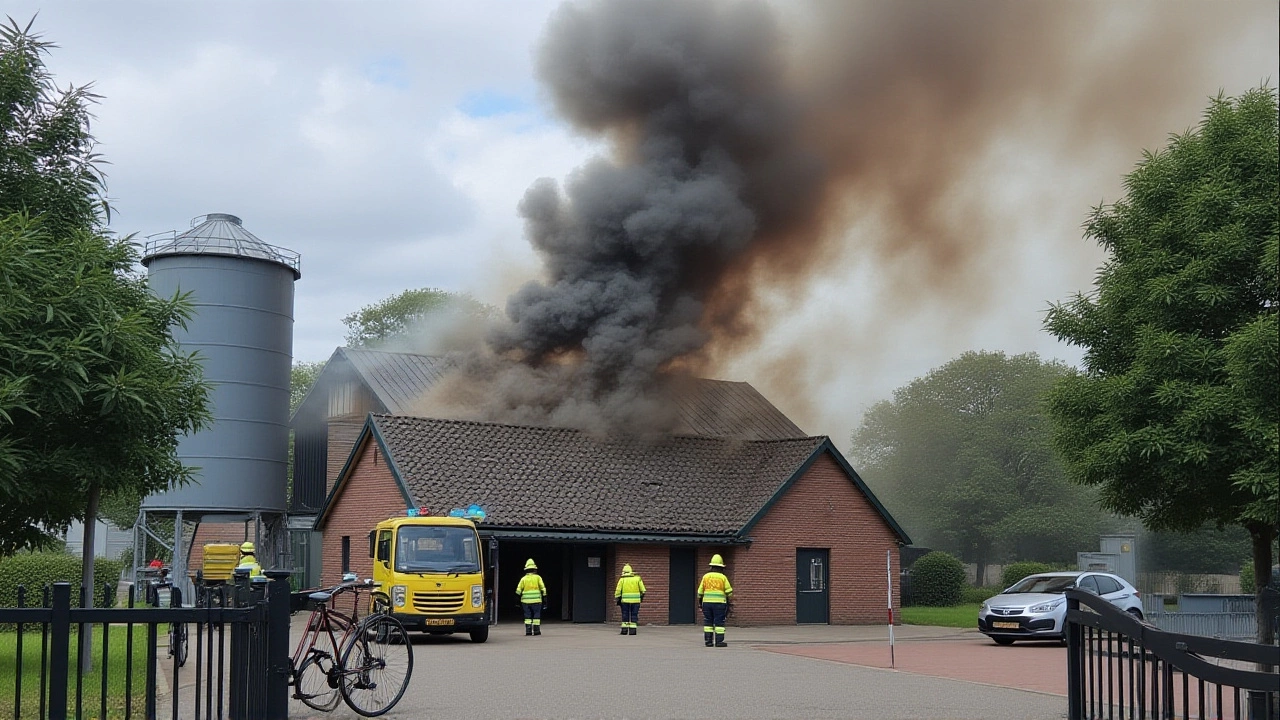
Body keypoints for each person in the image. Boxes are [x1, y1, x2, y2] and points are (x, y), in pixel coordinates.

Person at [697, 553, 733, 647]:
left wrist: (700, 603)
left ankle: (708, 641)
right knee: (719, 622)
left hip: (707, 603)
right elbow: (729, 591)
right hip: (719, 604)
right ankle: (719, 641)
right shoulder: (723, 577)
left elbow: (700, 592)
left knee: (708, 622)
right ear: (721, 567)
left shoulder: (706, 577)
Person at [515, 558, 547, 636]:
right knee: (536, 615)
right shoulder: (538, 578)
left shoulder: (523, 579)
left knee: (527, 616)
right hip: (537, 601)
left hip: (525, 602)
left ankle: (528, 630)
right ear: (534, 569)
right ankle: (536, 631)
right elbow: (543, 588)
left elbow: (518, 590)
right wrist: (545, 598)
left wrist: (517, 600)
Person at [614, 564, 646, 635]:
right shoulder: (637, 578)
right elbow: (643, 590)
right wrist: (641, 597)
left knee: (625, 614)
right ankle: (633, 631)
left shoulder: (622, 579)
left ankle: (624, 631)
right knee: (634, 615)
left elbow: (618, 590)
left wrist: (617, 598)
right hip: (636, 601)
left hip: (625, 601)